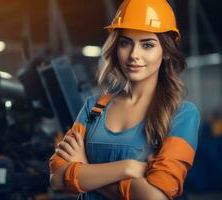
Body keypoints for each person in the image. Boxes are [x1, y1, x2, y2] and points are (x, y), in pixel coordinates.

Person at [49, 0, 201, 199]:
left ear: (165, 51)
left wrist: (85, 169)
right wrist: (127, 168)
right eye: (125, 43)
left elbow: (155, 197)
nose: (133, 55)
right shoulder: (94, 107)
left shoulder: (182, 114)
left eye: (147, 45)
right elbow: (57, 178)